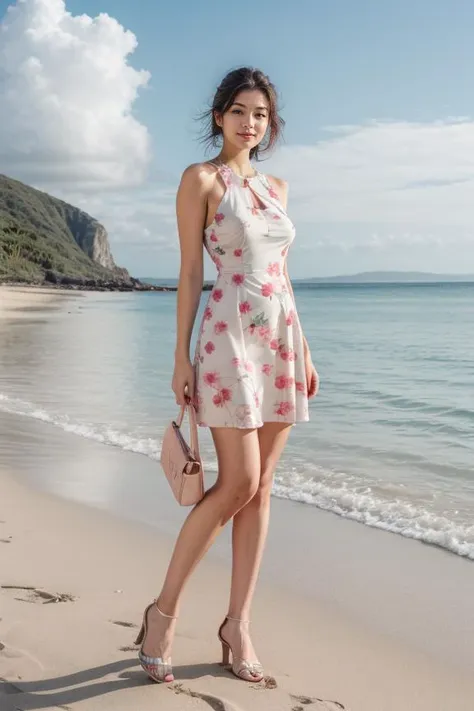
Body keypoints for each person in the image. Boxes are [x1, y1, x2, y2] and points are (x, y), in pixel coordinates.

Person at [135, 66, 319, 685]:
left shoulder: (280, 187)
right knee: (235, 482)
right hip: (227, 338)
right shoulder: (202, 180)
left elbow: (282, 274)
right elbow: (191, 271)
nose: (250, 123)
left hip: (280, 343)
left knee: (262, 488)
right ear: (219, 116)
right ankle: (163, 613)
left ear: (270, 125)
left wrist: (307, 349)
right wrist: (180, 356)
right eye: (239, 111)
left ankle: (237, 624)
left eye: (261, 115)